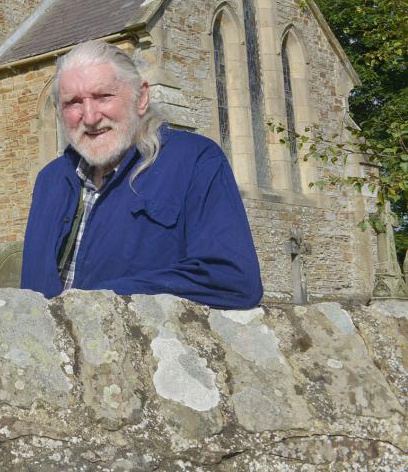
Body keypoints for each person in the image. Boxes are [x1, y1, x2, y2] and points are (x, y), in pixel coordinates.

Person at [20, 40, 263, 309]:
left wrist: (94, 303)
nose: (89, 117)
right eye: (73, 103)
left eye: (103, 97)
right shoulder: (49, 181)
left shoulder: (195, 161)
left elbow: (233, 280)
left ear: (141, 97)